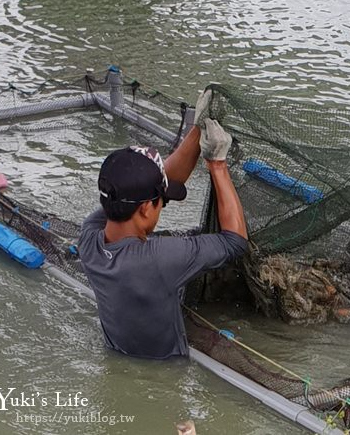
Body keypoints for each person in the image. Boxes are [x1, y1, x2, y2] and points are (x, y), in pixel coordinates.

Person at [78, 88, 248, 359]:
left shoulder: (89, 237)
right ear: (146, 208)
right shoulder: (158, 260)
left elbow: (161, 181)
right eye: (161, 201)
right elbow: (234, 242)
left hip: (117, 356)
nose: (163, 204)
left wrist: (198, 129)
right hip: (166, 371)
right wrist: (218, 165)